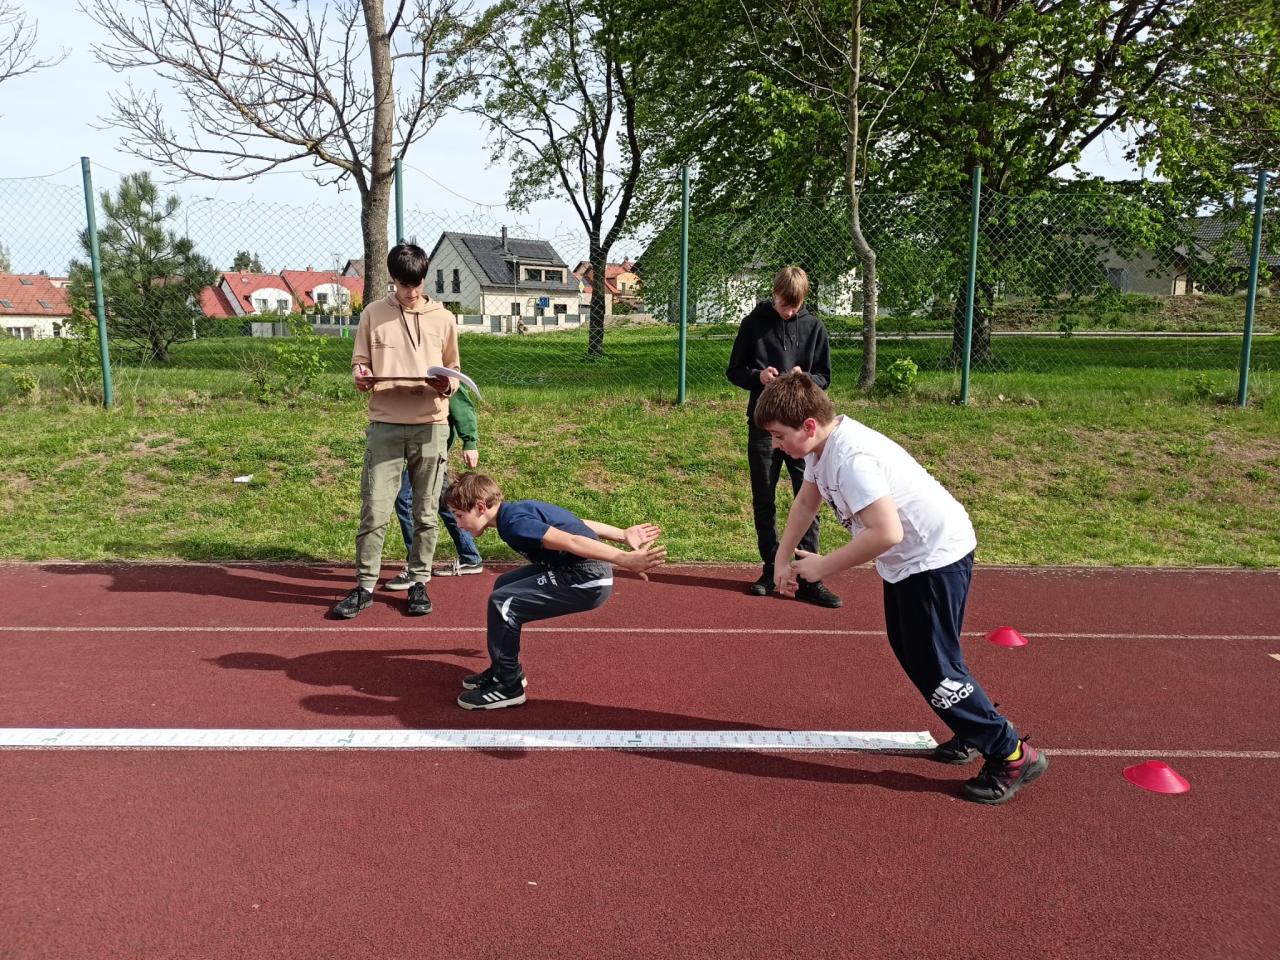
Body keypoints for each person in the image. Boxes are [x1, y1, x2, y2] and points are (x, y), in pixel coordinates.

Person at [754, 372, 1048, 805]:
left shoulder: (852, 459)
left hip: (933, 558)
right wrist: (782, 558)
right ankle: (974, 729)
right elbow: (806, 500)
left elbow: (886, 532)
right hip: (911, 561)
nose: (776, 445)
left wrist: (822, 567)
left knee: (935, 665)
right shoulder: (821, 448)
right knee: (918, 653)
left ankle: (1011, 754)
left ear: (809, 425)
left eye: (780, 436)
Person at [443, 471, 666, 709]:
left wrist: (624, 559)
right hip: (570, 568)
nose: (458, 524)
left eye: (459, 515)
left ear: (480, 507)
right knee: (504, 586)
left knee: (503, 602)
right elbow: (577, 524)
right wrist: (621, 534)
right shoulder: (514, 511)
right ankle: (505, 670)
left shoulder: (514, 524)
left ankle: (508, 687)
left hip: (586, 579)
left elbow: (572, 541)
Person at [332, 243, 459, 620]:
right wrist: (360, 375)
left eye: (417, 284)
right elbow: (360, 362)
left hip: (431, 425)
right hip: (385, 424)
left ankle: (419, 581)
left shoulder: (444, 318)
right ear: (393, 280)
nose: (412, 292)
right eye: (405, 285)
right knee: (375, 510)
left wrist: (447, 385)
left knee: (426, 512)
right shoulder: (373, 313)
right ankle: (364, 586)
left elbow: (453, 369)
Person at [726, 265, 841, 608]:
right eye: (783, 304)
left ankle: (808, 577)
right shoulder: (753, 323)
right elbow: (734, 371)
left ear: (803, 300)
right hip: (763, 427)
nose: (788, 311)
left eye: (794, 306)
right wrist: (759, 376)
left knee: (808, 497)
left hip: (803, 430)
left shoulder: (814, 327)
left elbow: (824, 376)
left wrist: (804, 378)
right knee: (764, 496)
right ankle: (770, 568)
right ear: (774, 293)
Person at [384, 385, 484, 590]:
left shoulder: (440, 374)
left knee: (405, 499)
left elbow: (461, 405)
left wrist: (470, 442)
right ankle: (470, 557)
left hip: (431, 449)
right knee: (446, 503)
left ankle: (416, 565)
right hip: (419, 448)